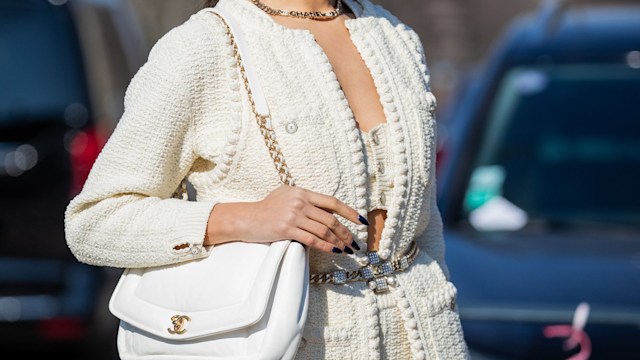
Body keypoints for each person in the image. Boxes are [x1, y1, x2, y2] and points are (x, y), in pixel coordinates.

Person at [64, 0, 470, 358]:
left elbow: (424, 223)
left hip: (429, 338)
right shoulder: (203, 47)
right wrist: (243, 218)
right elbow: (95, 220)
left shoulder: (395, 37)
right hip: (281, 342)